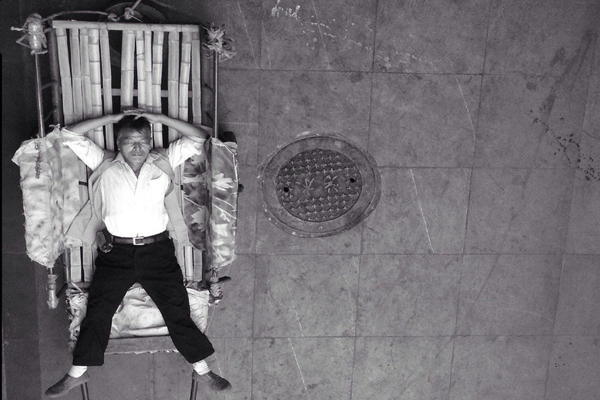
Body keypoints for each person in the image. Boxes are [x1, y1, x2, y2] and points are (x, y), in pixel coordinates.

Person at [45, 110, 232, 397]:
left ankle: (202, 369)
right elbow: (69, 135)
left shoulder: (163, 161)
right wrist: (112, 118)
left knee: (176, 310)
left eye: (143, 141)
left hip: (157, 252)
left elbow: (198, 137)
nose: (137, 148)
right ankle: (77, 373)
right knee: (99, 309)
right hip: (116, 253)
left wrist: (156, 117)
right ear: (118, 143)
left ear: (150, 141)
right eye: (129, 141)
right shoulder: (104, 163)